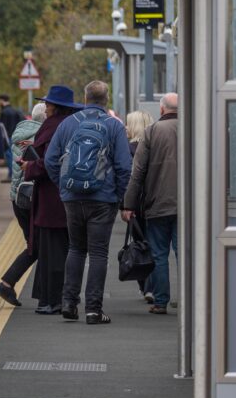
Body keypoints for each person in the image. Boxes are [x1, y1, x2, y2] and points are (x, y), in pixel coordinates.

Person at [45, 80, 133, 325]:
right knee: (98, 253)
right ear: (107, 99)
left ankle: (68, 303)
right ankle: (93, 310)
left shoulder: (67, 124)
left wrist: (63, 186)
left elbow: (51, 160)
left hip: (72, 197)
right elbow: (124, 167)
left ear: (85, 98)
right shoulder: (114, 126)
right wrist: (118, 196)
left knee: (75, 249)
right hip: (103, 199)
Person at [20, 87, 80, 313]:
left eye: (48, 103)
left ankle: (52, 300)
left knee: (53, 250)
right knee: (60, 248)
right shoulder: (70, 124)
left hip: (51, 198)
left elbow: (49, 162)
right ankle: (56, 298)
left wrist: (29, 166)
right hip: (63, 196)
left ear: (56, 106)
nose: (45, 107)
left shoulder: (54, 126)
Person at [122, 93, 179, 314]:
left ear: (162, 110)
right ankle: (191, 301)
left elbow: (137, 173)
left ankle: (161, 301)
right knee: (184, 254)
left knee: (159, 254)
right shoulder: (194, 129)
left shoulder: (152, 132)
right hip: (187, 207)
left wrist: (128, 205)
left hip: (157, 204)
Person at [0, 102, 46, 306]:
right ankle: (7, 283)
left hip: (19, 198)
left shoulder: (21, 132)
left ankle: (10, 285)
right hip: (33, 199)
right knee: (38, 246)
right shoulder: (40, 137)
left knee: (36, 245)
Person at [125, 109, 155, 302]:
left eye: (128, 123)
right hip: (155, 202)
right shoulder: (156, 146)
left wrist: (125, 205)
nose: (126, 127)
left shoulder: (127, 149)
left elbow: (128, 179)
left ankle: (145, 286)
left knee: (140, 245)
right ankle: (154, 288)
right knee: (157, 247)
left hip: (136, 205)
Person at [0, 94, 26, 182]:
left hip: (8, 138)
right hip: (16, 136)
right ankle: (15, 174)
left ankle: (11, 175)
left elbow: (2, 127)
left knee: (9, 155)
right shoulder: (15, 111)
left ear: (2, 100)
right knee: (15, 156)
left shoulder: (3, 112)